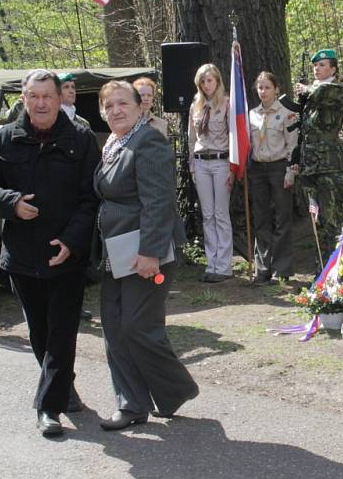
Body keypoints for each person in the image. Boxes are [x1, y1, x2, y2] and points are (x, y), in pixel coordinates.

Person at [0, 69, 100, 436]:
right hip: (22, 257)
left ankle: (48, 408)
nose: (41, 103)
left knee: (62, 333)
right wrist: (10, 202)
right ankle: (62, 387)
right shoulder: (5, 138)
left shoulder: (80, 139)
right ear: (24, 99)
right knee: (41, 332)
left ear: (60, 99)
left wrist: (72, 243)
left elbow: (91, 198)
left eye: (48, 96)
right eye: (34, 96)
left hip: (66, 256)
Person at [94, 80, 198, 430]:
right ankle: (132, 403)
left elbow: (158, 201)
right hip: (115, 251)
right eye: (109, 106)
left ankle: (174, 388)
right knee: (113, 326)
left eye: (123, 103)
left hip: (144, 251)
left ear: (141, 107)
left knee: (139, 326)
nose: (116, 110)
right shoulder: (112, 143)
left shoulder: (149, 141)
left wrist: (150, 253)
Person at [293, 49, 343, 259]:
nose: (317, 69)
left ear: (333, 68)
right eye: (315, 66)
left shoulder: (336, 90)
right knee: (316, 216)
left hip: (329, 165)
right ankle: (322, 264)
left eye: (322, 65)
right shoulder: (312, 93)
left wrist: (306, 90)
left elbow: (320, 94)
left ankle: (339, 264)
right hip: (311, 163)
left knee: (332, 216)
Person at [248, 71, 298, 283]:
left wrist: (290, 171)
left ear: (276, 89)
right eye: (260, 87)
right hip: (258, 168)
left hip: (279, 168)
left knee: (282, 217)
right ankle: (263, 267)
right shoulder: (252, 114)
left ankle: (282, 268)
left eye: (267, 87)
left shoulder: (287, 113)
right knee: (261, 218)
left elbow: (293, 145)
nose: (263, 91)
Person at [188, 64, 233, 283]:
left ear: (218, 81)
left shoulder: (227, 103)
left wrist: (234, 168)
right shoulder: (195, 105)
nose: (207, 85)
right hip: (200, 163)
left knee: (220, 213)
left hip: (220, 162)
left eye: (211, 80)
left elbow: (234, 136)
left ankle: (224, 266)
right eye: (203, 81)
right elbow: (191, 139)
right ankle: (211, 263)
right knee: (207, 215)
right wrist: (191, 166)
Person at [58, 71, 95, 322]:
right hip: (56, 194)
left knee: (78, 251)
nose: (71, 91)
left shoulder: (82, 122)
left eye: (73, 87)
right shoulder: (50, 118)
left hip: (78, 194)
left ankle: (75, 304)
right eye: (66, 87)